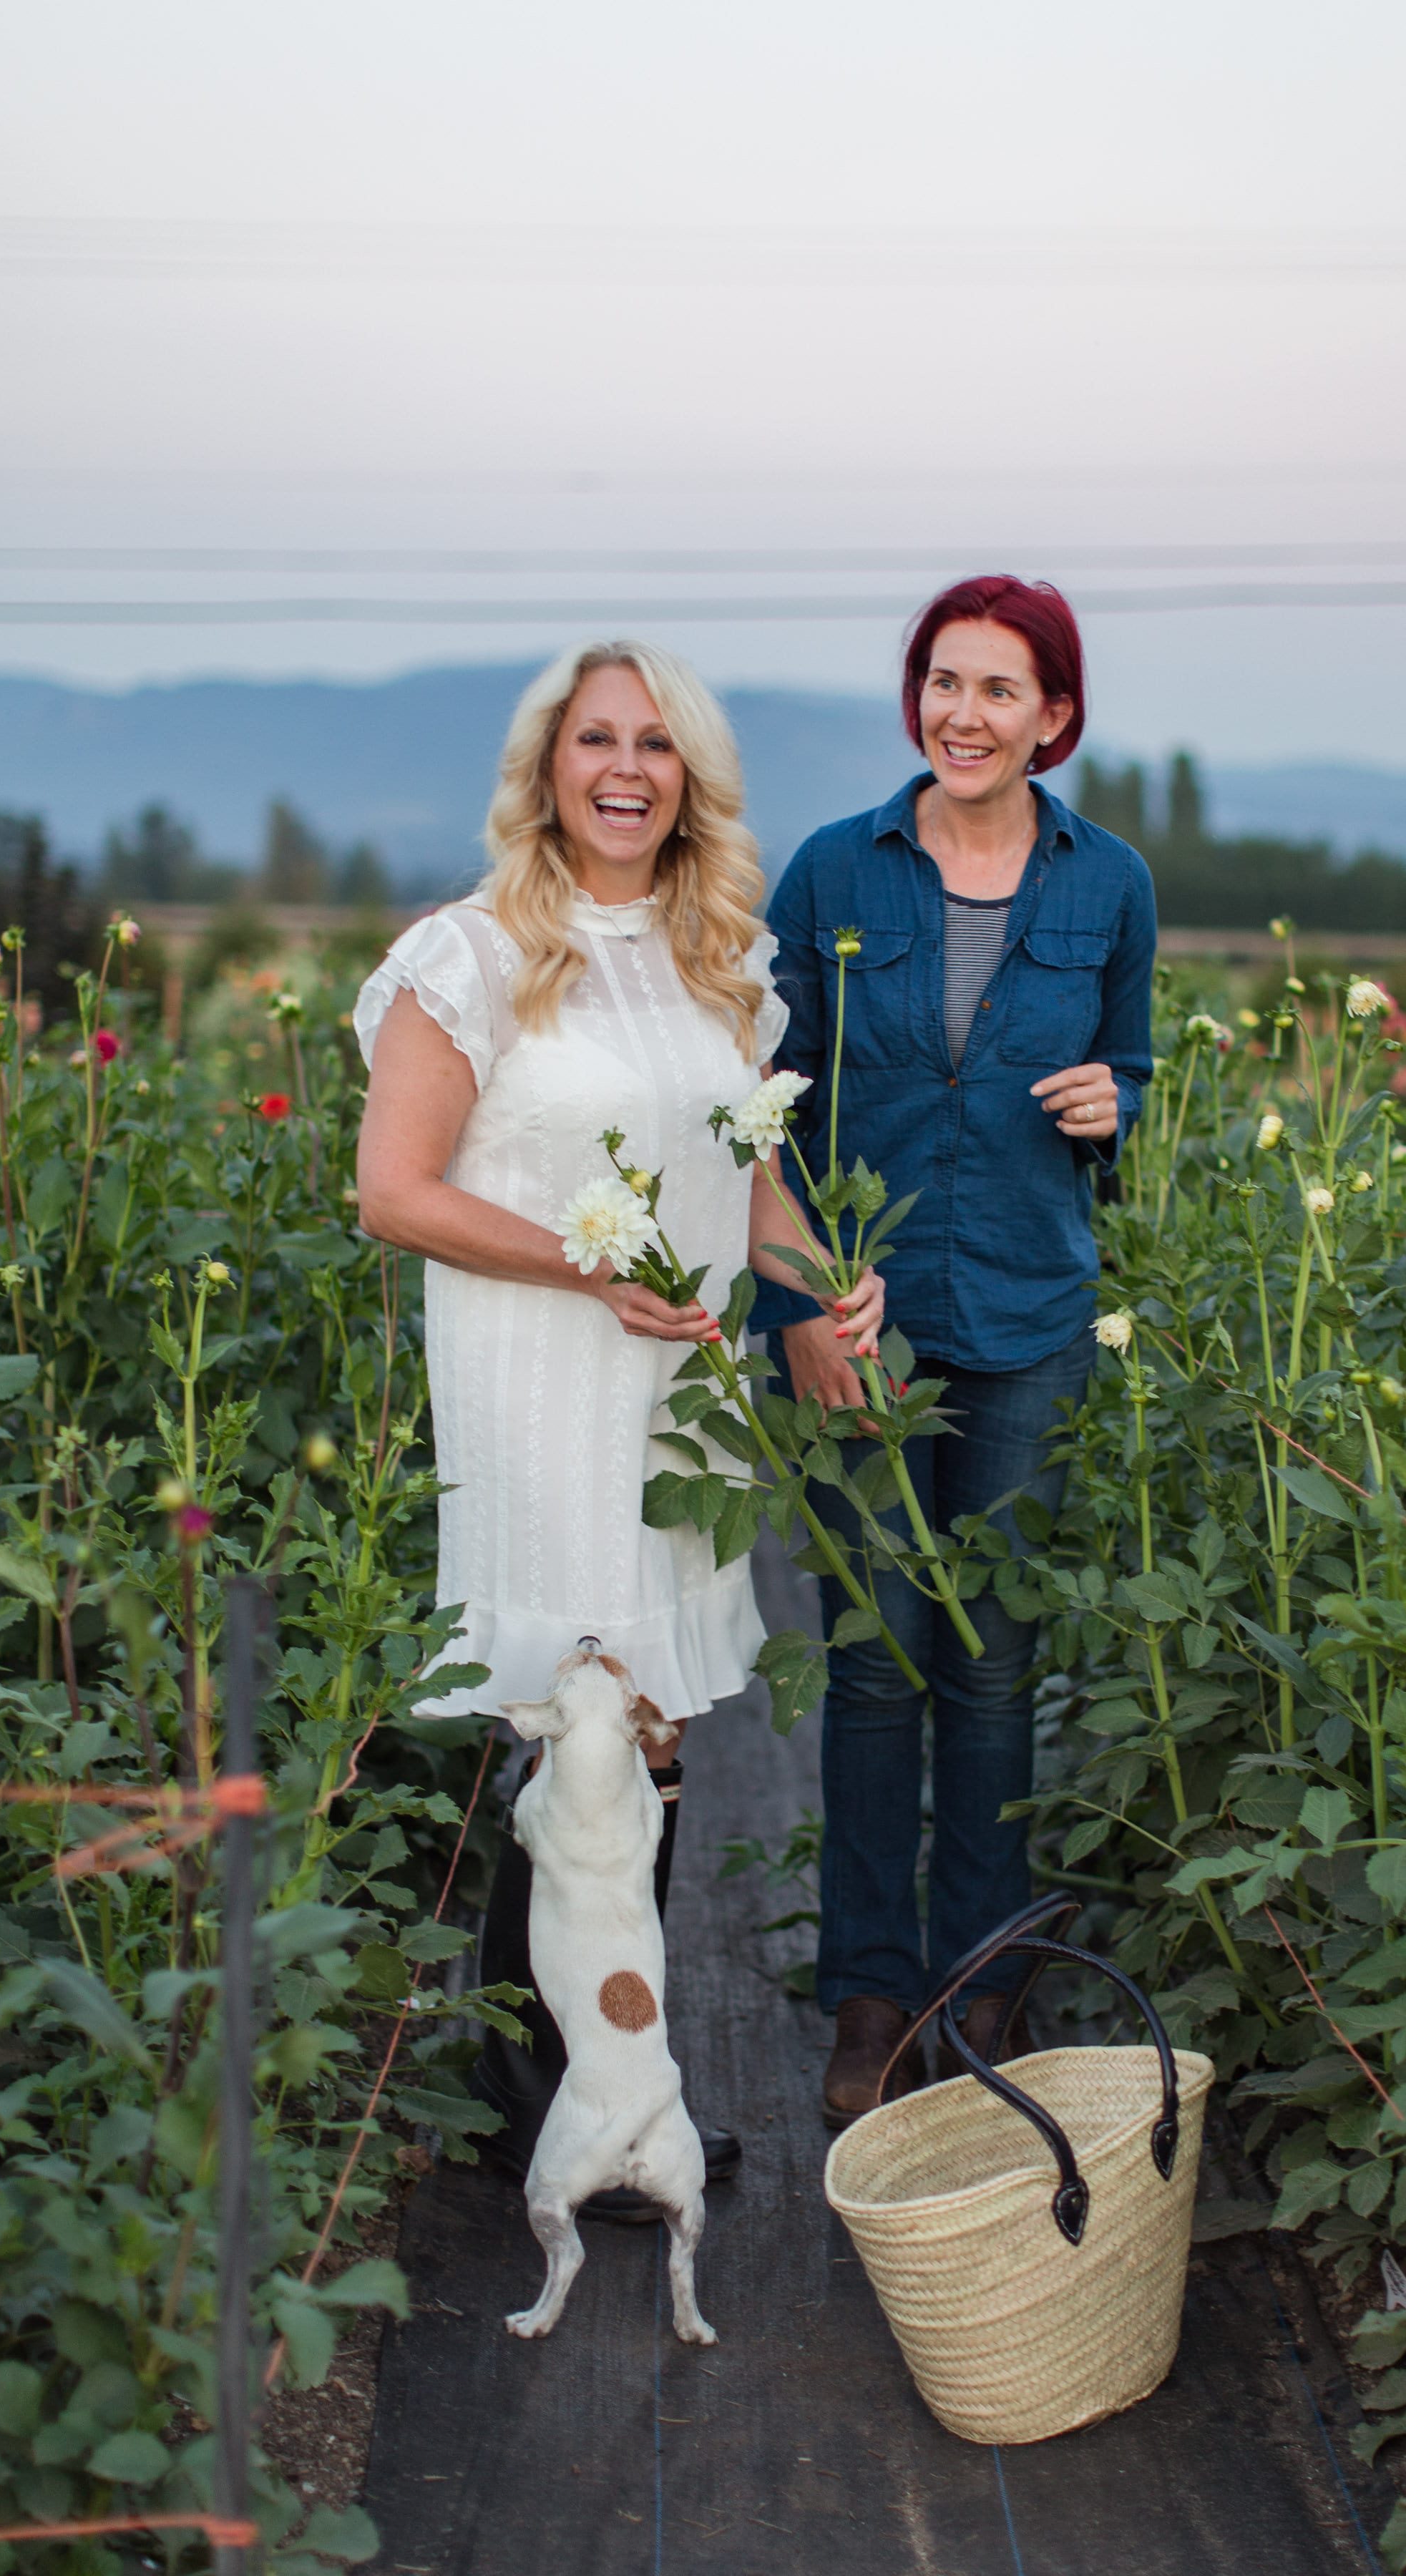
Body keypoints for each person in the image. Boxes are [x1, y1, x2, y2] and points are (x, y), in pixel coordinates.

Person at [354, 638, 884, 2212]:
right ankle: (526, 2094)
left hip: (678, 1405)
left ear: (692, 778)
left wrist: (827, 1292)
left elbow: (753, 1179)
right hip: (538, 1386)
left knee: (646, 1748)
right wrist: (589, 1265)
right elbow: (394, 1191)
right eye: (597, 739)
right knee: (550, 1735)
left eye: (657, 744)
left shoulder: (717, 961)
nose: (627, 769)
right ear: (547, 766)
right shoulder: (469, 956)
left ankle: (619, 2080)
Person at [753, 575, 1156, 2127]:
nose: (965, 714)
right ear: (913, 697)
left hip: (1029, 1320)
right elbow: (759, 1115)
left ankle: (980, 1979)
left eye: (1000, 689)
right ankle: (868, 1997)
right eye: (943, 682)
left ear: (1054, 714)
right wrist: (800, 1318)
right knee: (872, 1668)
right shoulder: (833, 871)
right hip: (865, 1316)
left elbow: (1123, 1073)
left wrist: (1115, 1109)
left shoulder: (1105, 882)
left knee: (994, 1672)